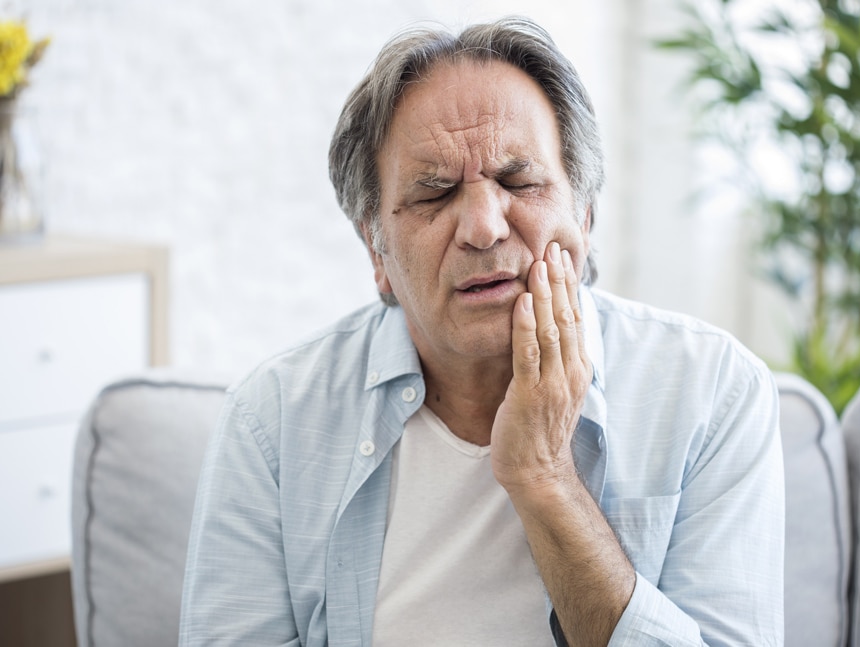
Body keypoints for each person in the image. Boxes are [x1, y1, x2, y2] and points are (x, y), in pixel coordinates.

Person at [179, 16, 784, 647]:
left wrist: (545, 475)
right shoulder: (270, 421)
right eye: (434, 194)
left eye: (519, 181)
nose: (483, 227)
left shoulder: (714, 394)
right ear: (377, 254)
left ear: (583, 213)